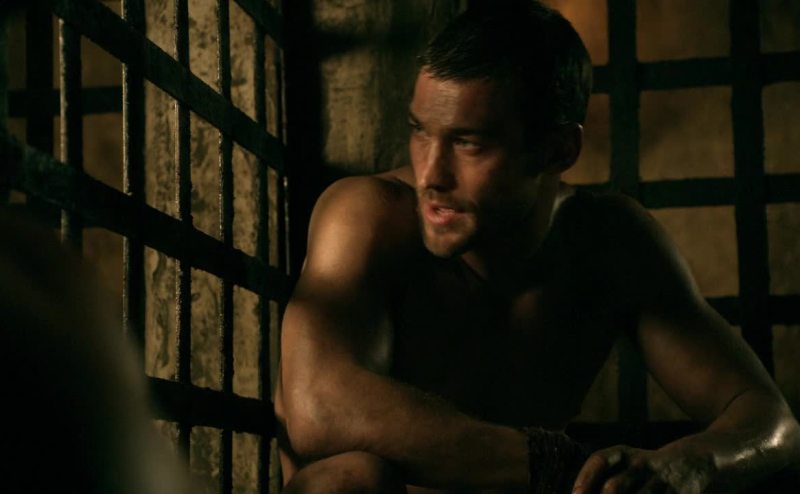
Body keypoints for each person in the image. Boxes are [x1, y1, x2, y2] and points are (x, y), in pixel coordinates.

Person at [274, 1, 800, 492]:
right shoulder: (366, 216)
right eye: (420, 131)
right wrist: (555, 464)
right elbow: (317, 409)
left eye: (468, 142)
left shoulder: (609, 243)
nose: (431, 174)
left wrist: (691, 464)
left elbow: (770, 422)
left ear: (558, 150)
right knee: (350, 477)